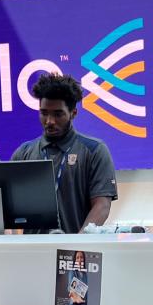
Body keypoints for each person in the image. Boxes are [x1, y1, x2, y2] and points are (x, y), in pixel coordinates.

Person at [10, 74, 116, 233]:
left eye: (58, 114)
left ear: (73, 113)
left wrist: (78, 243)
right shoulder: (24, 153)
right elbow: (8, 207)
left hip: (77, 251)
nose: (49, 121)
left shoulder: (95, 150)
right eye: (44, 113)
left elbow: (102, 205)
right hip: (33, 252)